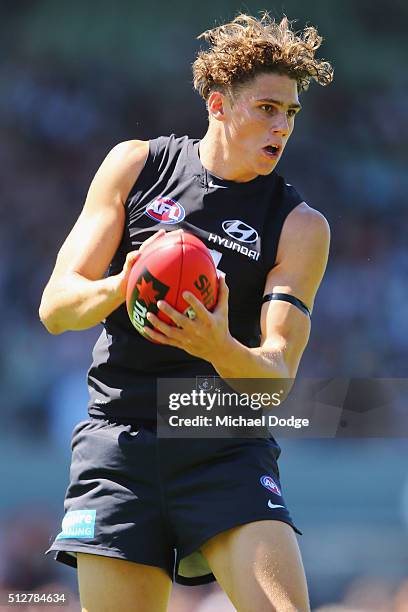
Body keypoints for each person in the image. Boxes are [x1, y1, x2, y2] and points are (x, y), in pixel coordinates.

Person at [39, 12, 333, 612]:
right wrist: (128, 282)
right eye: (268, 108)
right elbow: (57, 308)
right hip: (117, 442)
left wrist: (214, 343)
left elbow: (274, 382)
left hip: (221, 442)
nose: (282, 126)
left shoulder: (299, 226)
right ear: (219, 104)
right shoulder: (136, 165)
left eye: (291, 114)